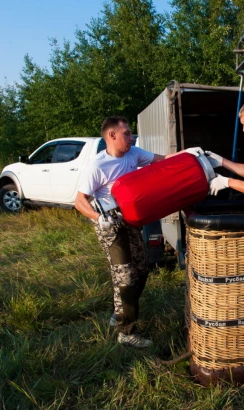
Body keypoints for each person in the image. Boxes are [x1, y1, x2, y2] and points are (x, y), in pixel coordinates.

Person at [75, 115, 186, 348]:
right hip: (110, 225)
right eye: (126, 133)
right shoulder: (97, 165)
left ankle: (120, 312)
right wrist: (98, 219)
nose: (132, 136)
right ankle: (126, 332)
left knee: (142, 270)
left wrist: (190, 154)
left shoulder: (134, 154)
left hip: (131, 220)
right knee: (124, 275)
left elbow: (163, 160)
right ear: (111, 136)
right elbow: (79, 201)